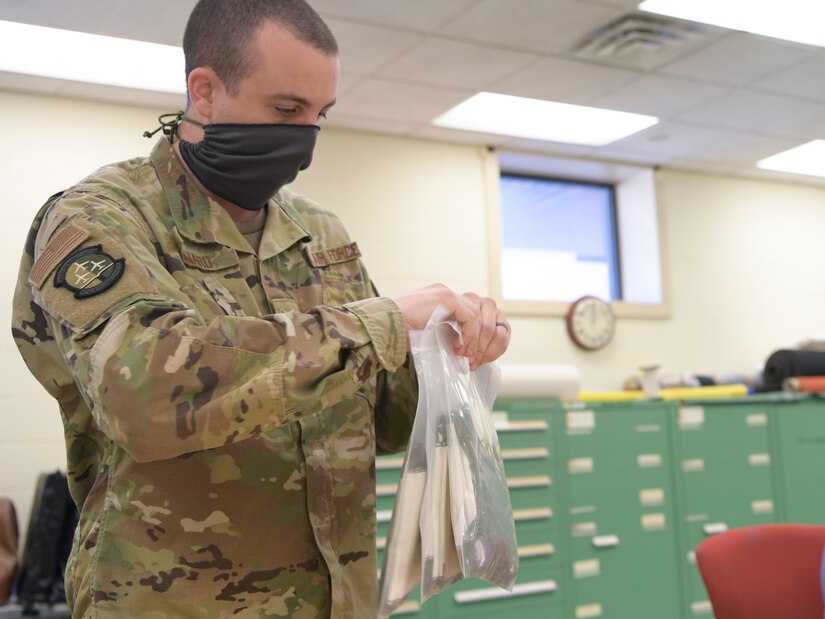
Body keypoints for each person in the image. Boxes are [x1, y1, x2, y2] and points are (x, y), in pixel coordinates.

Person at [10, 0, 511, 617]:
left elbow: (379, 418)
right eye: (286, 109)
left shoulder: (321, 235)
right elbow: (142, 395)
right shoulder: (102, 219)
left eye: (319, 115)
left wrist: (451, 359)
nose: (305, 136)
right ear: (205, 92)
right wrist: (379, 324)